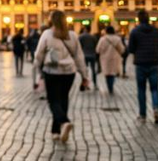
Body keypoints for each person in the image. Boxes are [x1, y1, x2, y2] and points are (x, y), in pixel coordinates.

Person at [33, 10, 88, 142]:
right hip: (69, 73)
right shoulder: (73, 35)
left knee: (53, 100)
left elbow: (39, 53)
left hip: (52, 72)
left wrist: (37, 69)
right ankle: (56, 131)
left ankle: (64, 122)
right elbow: (79, 56)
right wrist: (84, 75)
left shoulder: (47, 34)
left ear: (51, 20)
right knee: (63, 99)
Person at [126, 10, 158, 124]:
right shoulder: (157, 31)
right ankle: (156, 109)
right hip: (154, 63)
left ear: (139, 19)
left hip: (140, 63)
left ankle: (143, 114)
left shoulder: (134, 31)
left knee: (141, 89)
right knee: (154, 89)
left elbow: (131, 49)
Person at [96, 26, 125, 96]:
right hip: (115, 58)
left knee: (107, 74)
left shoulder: (102, 39)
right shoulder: (117, 39)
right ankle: (111, 87)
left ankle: (109, 87)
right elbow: (122, 49)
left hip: (105, 59)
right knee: (112, 73)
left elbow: (97, 50)